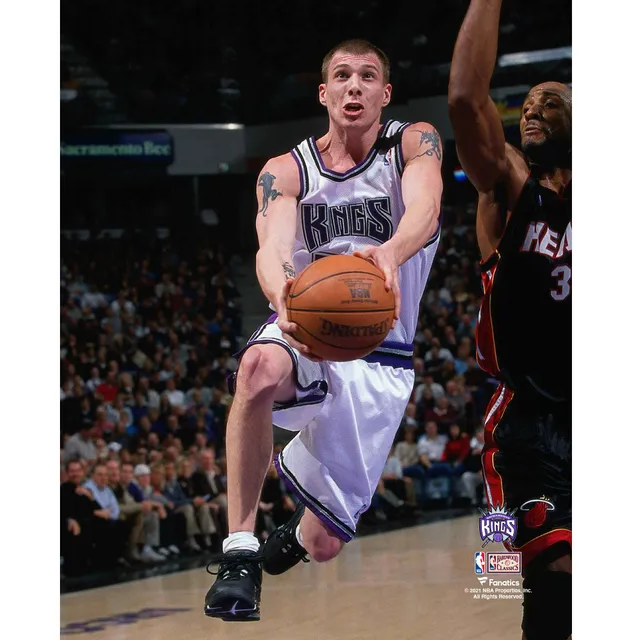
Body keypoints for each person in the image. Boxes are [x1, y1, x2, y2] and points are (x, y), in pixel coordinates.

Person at [204, 38, 443, 621]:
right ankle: (240, 550)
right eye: (341, 75)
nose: (353, 85)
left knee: (325, 544)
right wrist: (281, 290)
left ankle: (294, 537)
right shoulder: (287, 170)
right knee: (257, 369)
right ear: (324, 92)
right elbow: (272, 246)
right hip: (307, 325)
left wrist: (391, 251)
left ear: (385, 94)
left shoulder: (413, 142)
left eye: (367, 76)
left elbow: (425, 208)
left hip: (381, 353)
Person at [448, 3, 572, 639]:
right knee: (563, 570)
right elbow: (468, 102)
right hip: (529, 424)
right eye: (525, 102)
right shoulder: (511, 187)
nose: (531, 109)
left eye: (549, 102)